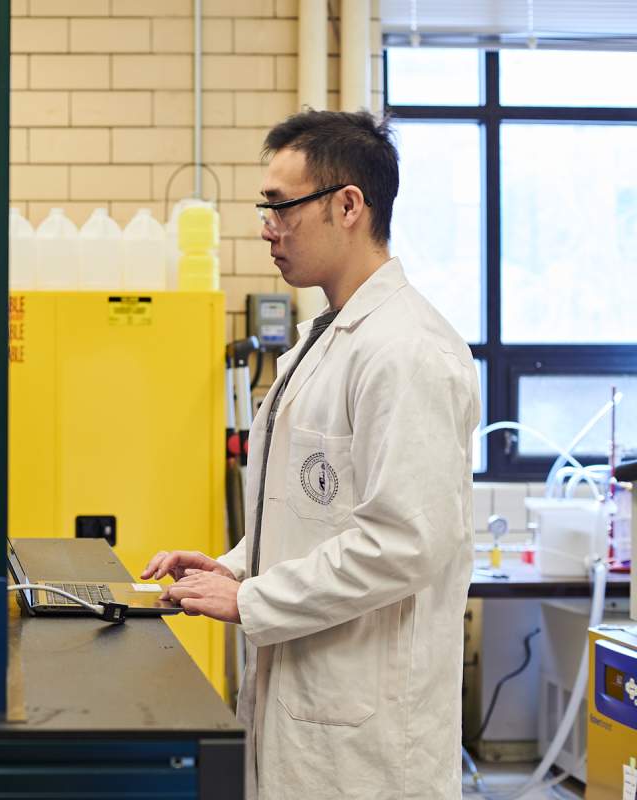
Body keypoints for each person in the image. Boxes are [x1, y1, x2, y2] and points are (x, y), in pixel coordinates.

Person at [142, 110, 480, 799]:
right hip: (307, 711)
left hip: (369, 742)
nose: (268, 227)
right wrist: (235, 566)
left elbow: (404, 543)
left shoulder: (407, 352)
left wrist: (252, 597)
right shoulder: (326, 339)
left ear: (348, 205)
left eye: (281, 207)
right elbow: (315, 512)